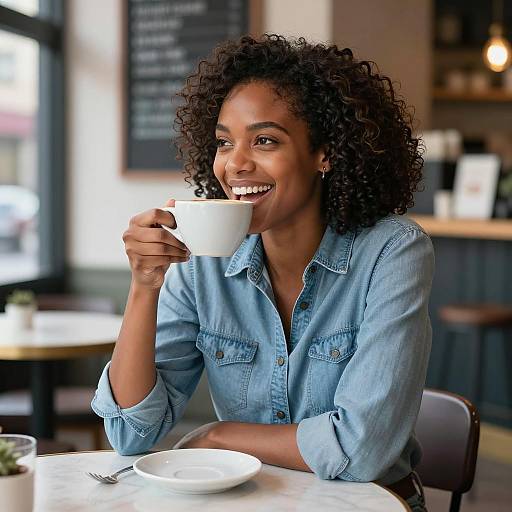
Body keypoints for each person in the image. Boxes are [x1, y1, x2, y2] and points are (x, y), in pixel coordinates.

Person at [92, 34, 433, 511]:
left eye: (265, 140)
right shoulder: (202, 261)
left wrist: (218, 436)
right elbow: (130, 432)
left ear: (325, 153)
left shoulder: (391, 251)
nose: (235, 164)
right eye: (224, 142)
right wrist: (144, 287)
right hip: (250, 502)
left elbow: (363, 452)